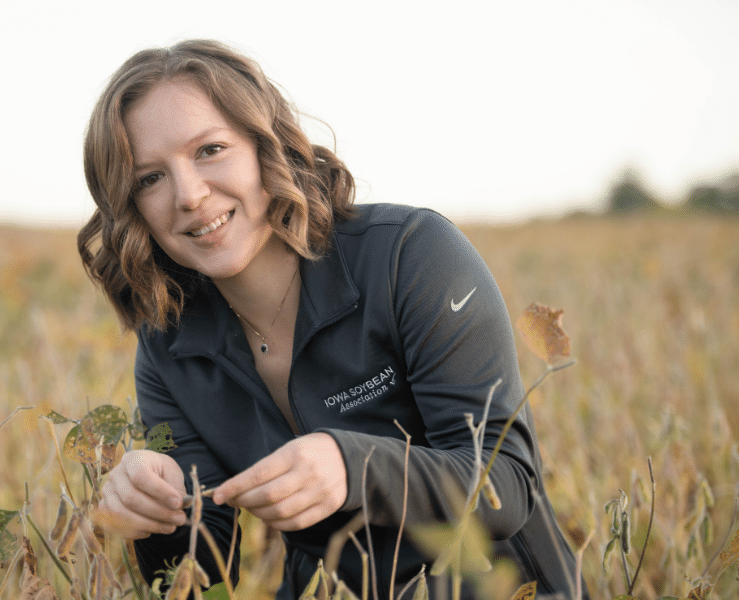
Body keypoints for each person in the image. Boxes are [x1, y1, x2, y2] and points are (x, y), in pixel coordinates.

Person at [77, 39, 585, 600]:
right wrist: (155, 510)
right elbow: (205, 572)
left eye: (210, 149)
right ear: (129, 205)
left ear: (265, 146)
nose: (189, 195)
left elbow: (506, 486)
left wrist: (353, 465)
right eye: (150, 178)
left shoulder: (410, 257)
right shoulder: (166, 342)